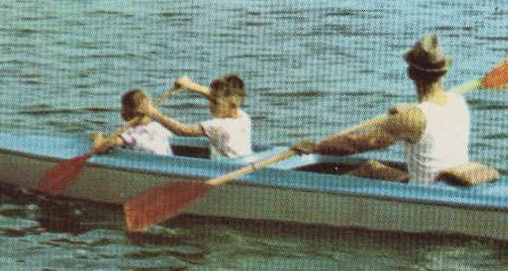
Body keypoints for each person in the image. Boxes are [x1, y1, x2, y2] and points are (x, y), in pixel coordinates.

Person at [291, 34, 469, 185]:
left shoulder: (412, 118)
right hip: (447, 183)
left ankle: (321, 200)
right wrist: (407, 109)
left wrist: (316, 147)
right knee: (370, 168)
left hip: (424, 191)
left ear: (410, 73)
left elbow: (355, 144)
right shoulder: (457, 100)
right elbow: (430, 118)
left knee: (363, 168)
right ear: (443, 72)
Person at [146, 73, 253, 158]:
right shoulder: (242, 116)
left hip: (226, 170)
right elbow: (215, 95)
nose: (210, 105)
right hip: (245, 162)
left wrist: (152, 113)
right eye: (210, 100)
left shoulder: (218, 125)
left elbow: (182, 130)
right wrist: (189, 85)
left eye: (215, 103)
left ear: (232, 104)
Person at [90, 88, 173, 156]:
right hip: (166, 160)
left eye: (122, 108)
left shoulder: (131, 133)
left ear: (126, 112)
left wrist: (98, 136)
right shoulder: (159, 126)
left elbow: (100, 147)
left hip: (151, 166)